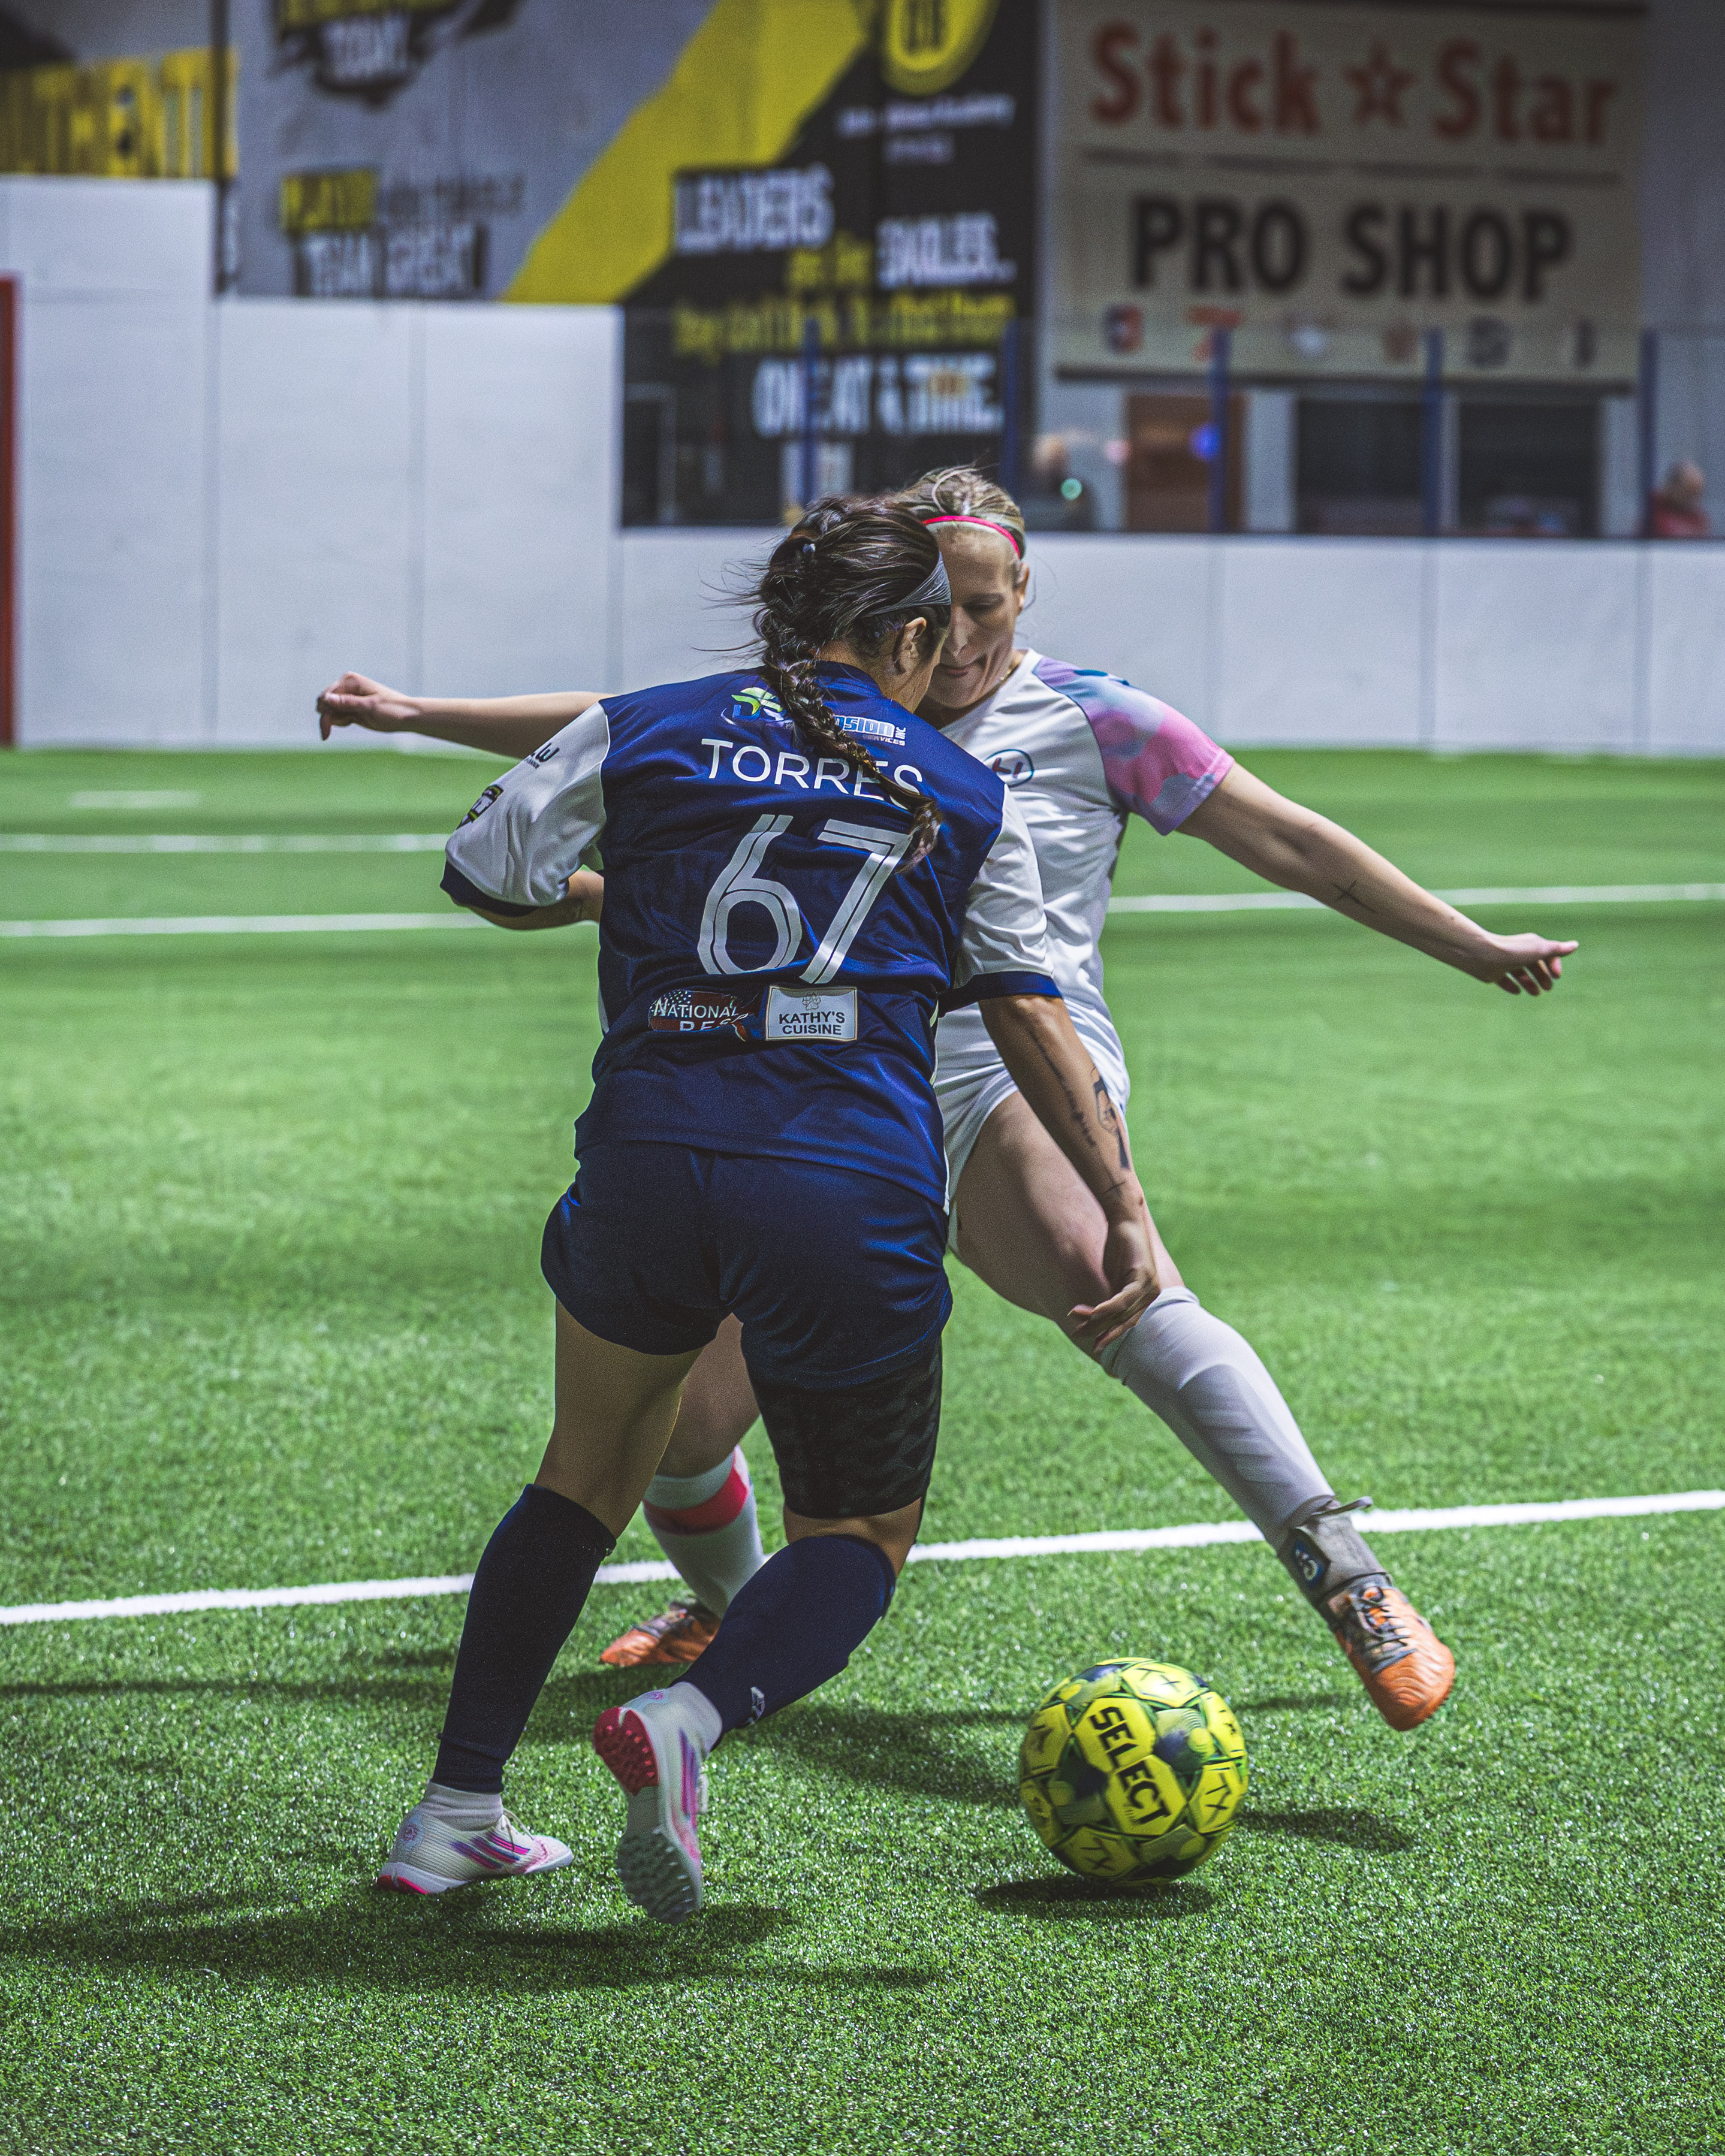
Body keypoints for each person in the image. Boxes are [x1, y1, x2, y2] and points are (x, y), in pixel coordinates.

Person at [319, 472, 1579, 1734]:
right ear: (900, 613)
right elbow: (616, 724)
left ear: (1022, 588)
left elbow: (1295, 842)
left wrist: (1467, 942)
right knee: (683, 1430)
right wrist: (421, 716)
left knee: (1110, 1276)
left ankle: (1343, 1571)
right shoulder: (820, 702)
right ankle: (738, 1617)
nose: (965, 637)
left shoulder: (1096, 718)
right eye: (944, 609)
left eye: (988, 605)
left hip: (1001, 1062)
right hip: (814, 1083)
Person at [353, 499, 1159, 1923]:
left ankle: (454, 1811)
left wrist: (621, 899)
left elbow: (485, 873)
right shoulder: (965, 790)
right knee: (854, 1531)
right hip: (845, 1180)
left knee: (580, 1477)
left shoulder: (641, 724)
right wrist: (1122, 1204)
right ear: (913, 637)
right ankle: (690, 1716)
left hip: (651, 1154)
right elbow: (1029, 1013)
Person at [1647, 461, 1711, 539]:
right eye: (1688, 492)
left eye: (1695, 494)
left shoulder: (1696, 517)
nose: (1691, 499)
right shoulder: (1652, 508)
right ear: (1673, 486)